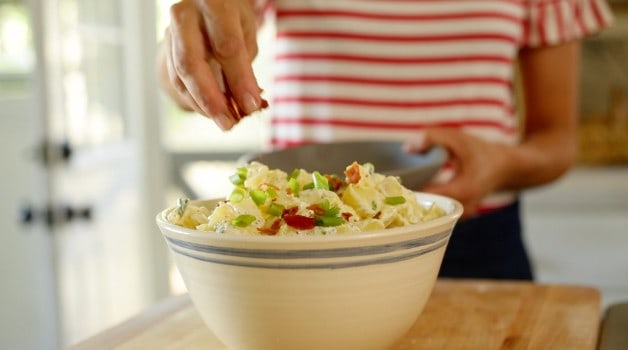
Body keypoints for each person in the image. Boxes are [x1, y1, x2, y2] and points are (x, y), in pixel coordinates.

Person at [157, 0, 613, 280]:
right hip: (301, 243)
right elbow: (203, 36)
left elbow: (556, 141)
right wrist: (186, 48)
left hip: (474, 244)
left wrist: (499, 165)